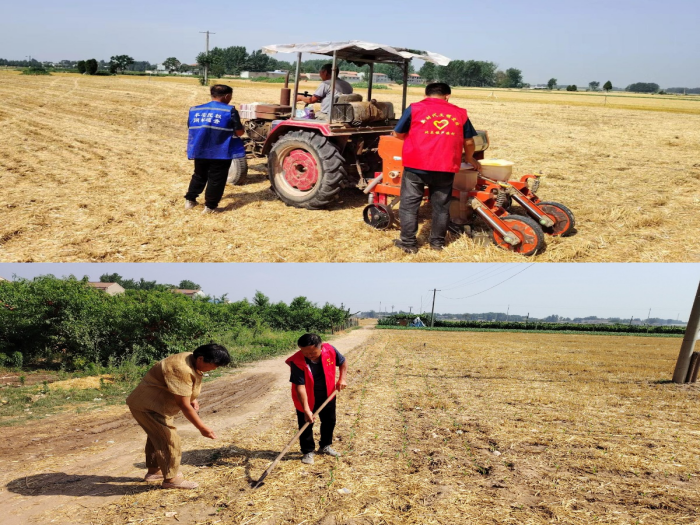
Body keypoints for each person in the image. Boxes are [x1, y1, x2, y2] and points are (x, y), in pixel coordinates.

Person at [392, 82, 483, 253]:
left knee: (409, 205)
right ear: (447, 96)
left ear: (426, 94)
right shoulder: (459, 112)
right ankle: (437, 243)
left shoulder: (415, 108)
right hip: (445, 167)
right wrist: (469, 157)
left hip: (415, 165)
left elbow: (397, 133)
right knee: (441, 207)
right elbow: (469, 141)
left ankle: (408, 244)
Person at [126, 344, 231, 489]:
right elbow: (184, 405)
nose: (215, 369)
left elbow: (181, 387)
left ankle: (154, 472)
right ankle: (171, 480)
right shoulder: (181, 368)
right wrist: (202, 427)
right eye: (214, 365)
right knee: (169, 439)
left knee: (156, 436)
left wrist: (192, 397)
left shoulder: (191, 358)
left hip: (154, 405)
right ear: (201, 358)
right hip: (149, 407)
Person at [286, 333, 348, 464]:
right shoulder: (297, 361)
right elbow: (300, 387)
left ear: (320, 347)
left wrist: (342, 379)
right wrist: (307, 410)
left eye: (313, 352)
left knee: (329, 421)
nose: (309, 355)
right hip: (307, 398)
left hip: (328, 394)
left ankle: (325, 446)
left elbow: (343, 362)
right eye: (305, 353)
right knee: (306, 424)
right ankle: (308, 451)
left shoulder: (330, 350)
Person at [185, 84, 245, 214]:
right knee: (216, 179)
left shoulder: (195, 110)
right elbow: (239, 132)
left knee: (199, 175)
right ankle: (210, 207)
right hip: (220, 151)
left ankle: (190, 200)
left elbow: (191, 127)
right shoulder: (229, 111)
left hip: (200, 149)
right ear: (227, 96)